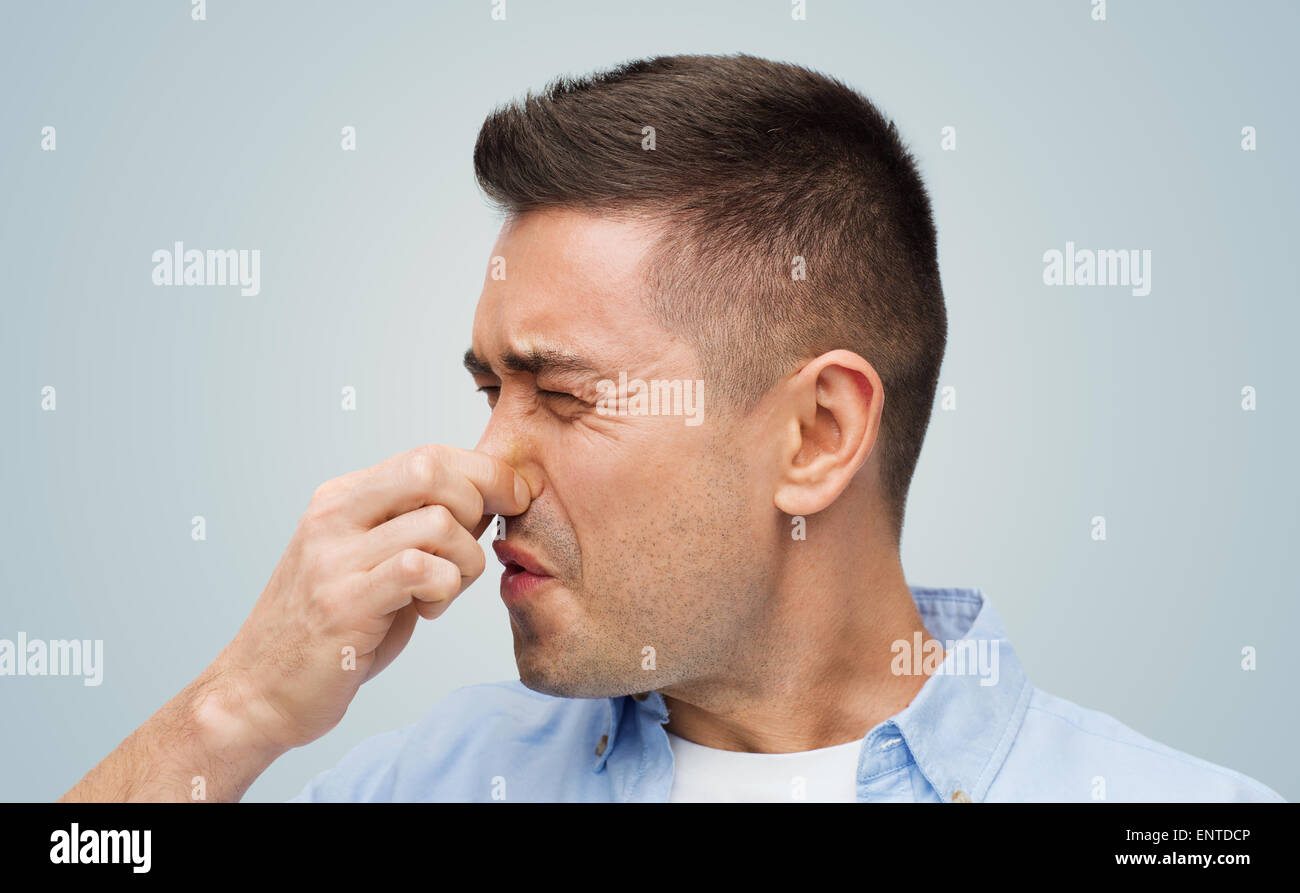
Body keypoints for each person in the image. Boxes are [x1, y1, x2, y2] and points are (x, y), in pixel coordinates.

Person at [61, 54, 1283, 803]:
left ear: (816, 433)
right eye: (490, 386)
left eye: (564, 392)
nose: (491, 466)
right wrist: (229, 714)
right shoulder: (431, 783)